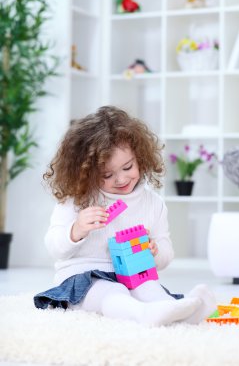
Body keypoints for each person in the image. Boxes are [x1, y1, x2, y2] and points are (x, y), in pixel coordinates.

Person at [34, 105, 216, 326]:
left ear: (140, 158)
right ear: (87, 172)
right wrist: (76, 229)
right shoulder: (77, 199)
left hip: (134, 275)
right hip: (83, 279)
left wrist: (154, 252)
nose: (120, 180)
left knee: (149, 287)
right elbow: (54, 247)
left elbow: (166, 254)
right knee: (112, 291)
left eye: (128, 167)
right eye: (107, 175)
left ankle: (181, 315)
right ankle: (143, 315)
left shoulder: (152, 204)